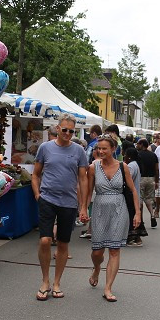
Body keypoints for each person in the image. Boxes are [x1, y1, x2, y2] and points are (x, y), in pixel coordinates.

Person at [32, 114, 88, 301]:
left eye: (71, 131)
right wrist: (37, 194)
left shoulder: (79, 151)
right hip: (47, 198)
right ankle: (45, 281)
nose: (67, 133)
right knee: (45, 241)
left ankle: (57, 283)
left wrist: (83, 206)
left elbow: (82, 179)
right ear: (57, 128)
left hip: (69, 202)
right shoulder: (45, 148)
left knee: (63, 243)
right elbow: (36, 174)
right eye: (64, 130)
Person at [83, 135, 141, 302]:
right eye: (98, 148)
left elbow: (133, 191)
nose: (100, 151)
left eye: (104, 148)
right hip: (100, 208)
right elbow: (88, 191)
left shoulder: (123, 167)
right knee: (97, 251)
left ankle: (108, 288)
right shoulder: (93, 167)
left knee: (114, 250)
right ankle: (96, 268)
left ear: (113, 149)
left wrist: (137, 213)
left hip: (119, 208)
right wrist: (85, 209)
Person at [134, 138, 158, 231]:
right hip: (151, 178)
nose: (137, 146)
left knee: (139, 199)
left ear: (141, 145)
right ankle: (152, 215)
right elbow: (157, 168)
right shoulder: (153, 155)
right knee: (149, 199)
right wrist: (156, 180)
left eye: (138, 144)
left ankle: (141, 219)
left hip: (141, 178)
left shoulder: (138, 155)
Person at [122, 148, 143, 247]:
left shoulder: (131, 166)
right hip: (135, 193)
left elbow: (126, 178)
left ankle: (133, 238)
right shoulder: (135, 164)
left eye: (125, 154)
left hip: (130, 195)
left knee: (131, 216)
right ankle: (135, 237)